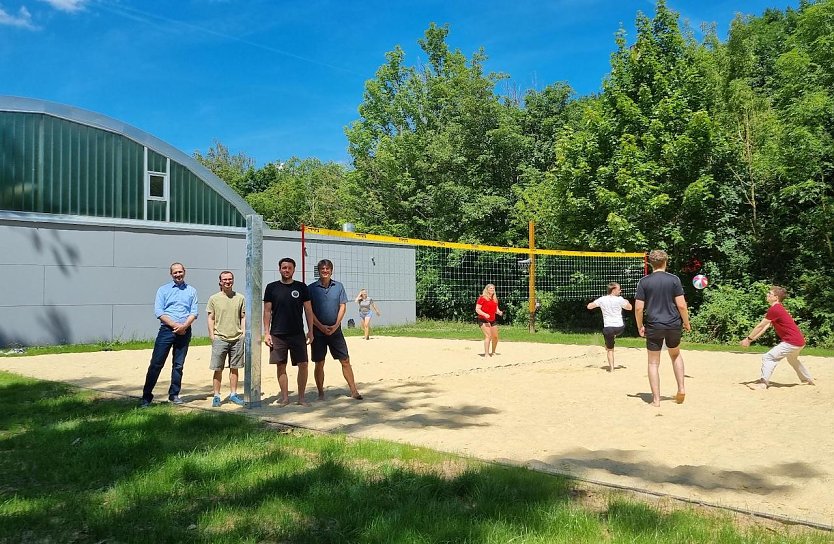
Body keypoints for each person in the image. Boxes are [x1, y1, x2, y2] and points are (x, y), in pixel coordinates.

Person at [634, 250, 691, 407]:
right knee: (676, 355)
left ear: (650, 263)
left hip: (654, 324)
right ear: (665, 262)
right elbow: (681, 305)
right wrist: (686, 322)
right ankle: (681, 388)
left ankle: (656, 400)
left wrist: (640, 326)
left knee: (653, 363)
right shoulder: (674, 279)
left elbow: (638, 308)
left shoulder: (644, 282)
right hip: (673, 324)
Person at [140, 262, 199, 407]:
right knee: (156, 364)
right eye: (175, 272)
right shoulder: (163, 290)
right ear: (171, 274)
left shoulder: (192, 291)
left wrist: (184, 326)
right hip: (167, 331)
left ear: (184, 272)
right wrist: (174, 325)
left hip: (184, 331)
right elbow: (159, 312)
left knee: (178, 365)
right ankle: (146, 396)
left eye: (180, 272)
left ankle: (174, 394)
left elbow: (194, 312)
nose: (178, 274)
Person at [740, 286, 815, 389]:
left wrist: (748, 339)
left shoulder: (775, 309)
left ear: (776, 297)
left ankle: (763, 383)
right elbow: (764, 328)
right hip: (799, 341)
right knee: (792, 359)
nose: (767, 295)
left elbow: (760, 326)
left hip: (792, 342)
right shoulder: (777, 308)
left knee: (768, 357)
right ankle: (808, 379)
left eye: (770, 294)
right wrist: (750, 340)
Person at [263, 257, 314, 406]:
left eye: (289, 268)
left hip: (297, 333)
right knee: (281, 365)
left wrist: (311, 331)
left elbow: (308, 310)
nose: (287, 270)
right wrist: (267, 333)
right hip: (277, 334)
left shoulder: (301, 287)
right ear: (279, 269)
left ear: (294, 270)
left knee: (303, 364)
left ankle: (301, 398)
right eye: (284, 268)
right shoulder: (271, 287)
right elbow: (267, 311)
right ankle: (285, 397)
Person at [309, 259, 363, 400]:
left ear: (331, 270)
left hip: (335, 330)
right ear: (319, 271)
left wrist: (336, 325)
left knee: (345, 360)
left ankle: (354, 391)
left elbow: (342, 307)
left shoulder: (338, 286)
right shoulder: (311, 288)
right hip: (318, 331)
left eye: (327, 268)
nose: (325, 271)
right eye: (322, 269)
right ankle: (321, 393)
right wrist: (320, 326)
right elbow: (309, 311)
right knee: (319, 362)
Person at [206, 270, 246, 407]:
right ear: (220, 282)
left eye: (230, 279)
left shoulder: (240, 298)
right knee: (218, 368)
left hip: (237, 338)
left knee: (235, 368)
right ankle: (216, 396)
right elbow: (211, 318)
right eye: (225, 279)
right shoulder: (214, 298)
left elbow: (243, 316)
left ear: (233, 281)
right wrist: (212, 335)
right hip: (220, 338)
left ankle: (233, 394)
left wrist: (243, 333)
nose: (227, 281)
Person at [587, 282, 633, 372]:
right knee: (611, 338)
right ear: (613, 290)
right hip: (620, 328)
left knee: (610, 350)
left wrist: (595, 302)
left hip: (608, 329)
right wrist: (627, 302)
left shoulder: (602, 299)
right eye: (619, 289)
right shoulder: (620, 300)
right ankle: (609, 342)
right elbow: (630, 308)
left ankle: (612, 369)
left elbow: (589, 306)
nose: (620, 291)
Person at [475, 284, 503, 356]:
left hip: (492, 319)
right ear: (487, 289)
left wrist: (499, 312)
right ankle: (486, 354)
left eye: (493, 288)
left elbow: (496, 309)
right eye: (490, 288)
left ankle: (493, 352)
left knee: (495, 337)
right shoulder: (482, 298)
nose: (492, 289)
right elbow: (477, 309)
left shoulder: (494, 299)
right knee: (488, 335)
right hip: (483, 319)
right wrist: (484, 314)